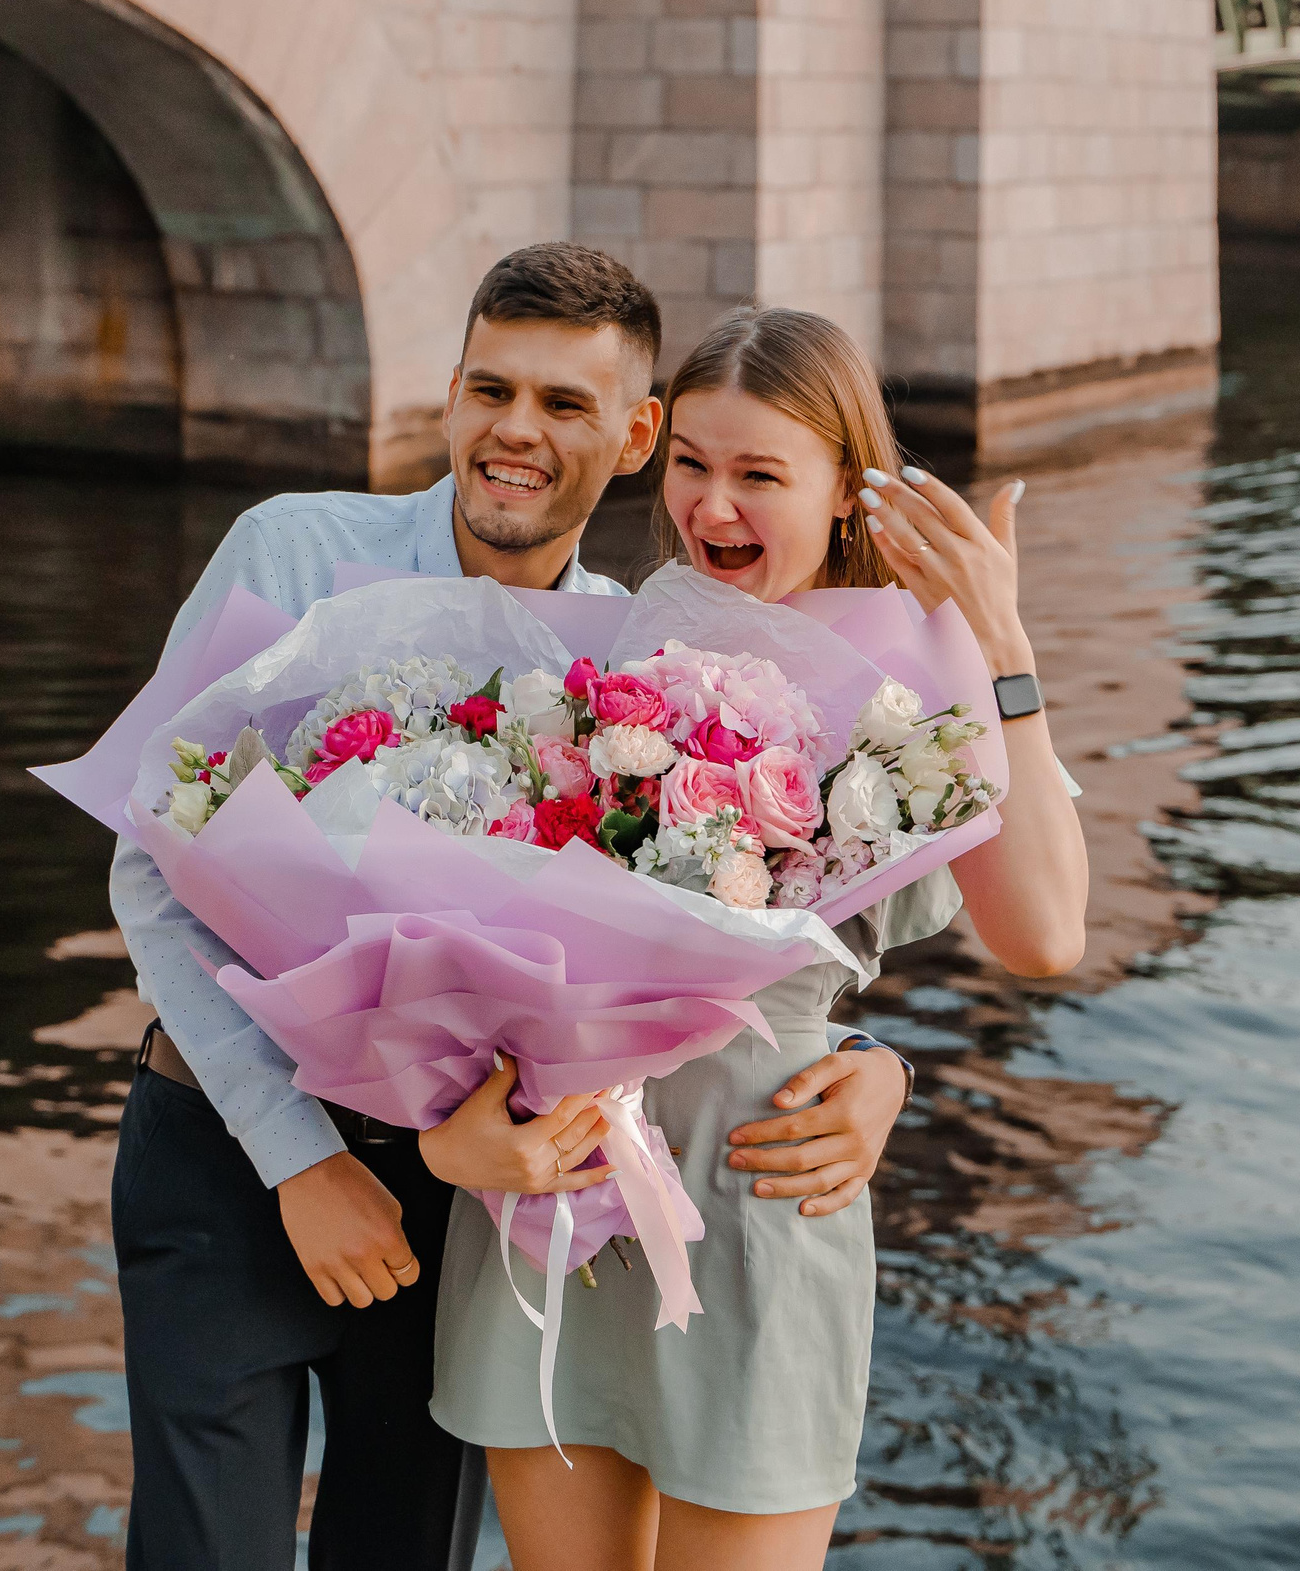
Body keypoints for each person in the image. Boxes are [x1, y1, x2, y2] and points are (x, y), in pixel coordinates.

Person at [108, 250, 919, 1571]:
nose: (516, 432)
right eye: (491, 388)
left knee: (401, 1554)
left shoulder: (635, 663)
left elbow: (714, 954)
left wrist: (876, 1067)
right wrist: (304, 1159)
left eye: (563, 401)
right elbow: (151, 863)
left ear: (636, 434)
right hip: (232, 1147)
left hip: (469, 1198)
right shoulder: (294, 549)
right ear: (449, 394)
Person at [427, 305, 1090, 1571]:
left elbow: (1046, 936)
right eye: (693, 464)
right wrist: (448, 1119)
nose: (712, 507)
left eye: (759, 477)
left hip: (759, 1191)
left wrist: (999, 640)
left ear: (846, 487)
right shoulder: (616, 638)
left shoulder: (928, 675)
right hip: (560, 1193)